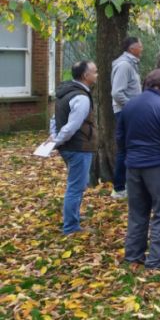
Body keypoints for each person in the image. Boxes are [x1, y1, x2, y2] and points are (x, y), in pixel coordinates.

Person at [118, 69, 160, 269]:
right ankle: (157, 260)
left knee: (137, 212)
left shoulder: (129, 106)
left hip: (134, 166)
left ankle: (133, 255)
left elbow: (120, 137)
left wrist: (128, 155)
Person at [51, 61, 98, 235]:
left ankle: (74, 216)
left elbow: (54, 119)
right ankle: (71, 227)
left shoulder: (65, 92)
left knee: (78, 184)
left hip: (69, 147)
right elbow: (72, 126)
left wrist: (55, 138)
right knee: (75, 186)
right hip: (78, 147)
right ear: (85, 76)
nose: (97, 74)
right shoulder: (81, 97)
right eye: (95, 71)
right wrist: (58, 140)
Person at [111, 36, 143, 199]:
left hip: (128, 111)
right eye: (140, 46)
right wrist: (132, 105)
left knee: (128, 148)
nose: (142, 48)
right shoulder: (124, 65)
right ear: (132, 48)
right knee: (125, 149)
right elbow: (117, 92)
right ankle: (119, 188)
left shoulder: (131, 64)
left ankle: (126, 185)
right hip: (125, 112)